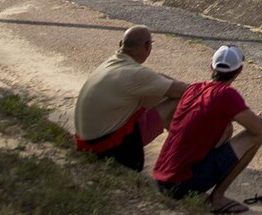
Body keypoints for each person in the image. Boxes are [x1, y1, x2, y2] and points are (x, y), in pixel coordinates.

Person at [153, 44, 262, 212]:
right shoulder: (226, 94)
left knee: (226, 128)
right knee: (255, 138)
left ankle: (198, 180)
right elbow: (257, 128)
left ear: (211, 66)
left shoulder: (194, 88)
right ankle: (217, 197)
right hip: (181, 185)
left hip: (161, 180)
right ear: (239, 70)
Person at [72, 26, 188, 171]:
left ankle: (181, 148)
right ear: (147, 46)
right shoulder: (136, 74)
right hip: (106, 148)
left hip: (86, 140)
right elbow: (186, 92)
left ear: (121, 44)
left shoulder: (112, 63)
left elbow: (160, 81)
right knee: (176, 100)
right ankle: (183, 154)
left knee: (159, 86)